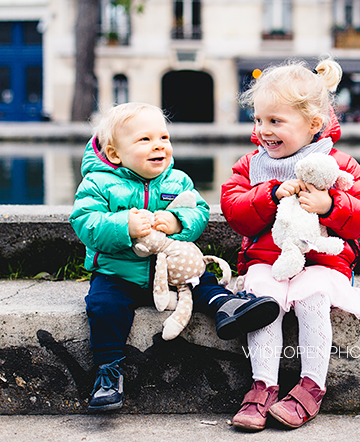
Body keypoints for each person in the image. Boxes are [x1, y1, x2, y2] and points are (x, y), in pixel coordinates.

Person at [70, 102, 279, 413]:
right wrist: (123, 225)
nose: (159, 146)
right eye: (145, 140)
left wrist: (179, 222)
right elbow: (85, 223)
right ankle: (109, 372)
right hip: (119, 273)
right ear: (115, 154)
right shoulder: (98, 183)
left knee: (202, 281)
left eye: (164, 138)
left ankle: (229, 307)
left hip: (171, 272)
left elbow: (198, 212)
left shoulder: (177, 180)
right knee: (103, 307)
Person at [221, 58, 360, 430]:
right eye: (259, 120)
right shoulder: (251, 165)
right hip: (265, 261)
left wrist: (331, 205)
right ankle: (263, 385)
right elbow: (234, 210)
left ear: (313, 124)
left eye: (276, 121)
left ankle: (311, 386)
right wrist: (270, 194)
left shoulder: (337, 164)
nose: (264, 130)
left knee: (312, 301)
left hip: (322, 263)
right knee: (264, 304)